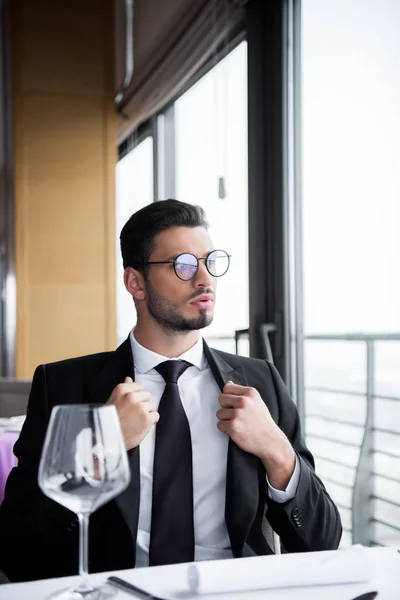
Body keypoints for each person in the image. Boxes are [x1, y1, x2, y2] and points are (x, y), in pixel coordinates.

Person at [0, 199, 341, 582]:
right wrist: (101, 449)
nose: (204, 279)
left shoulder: (259, 383)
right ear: (135, 282)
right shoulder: (61, 386)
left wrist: (277, 452)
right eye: (183, 265)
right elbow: (15, 548)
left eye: (210, 262)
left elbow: (323, 542)